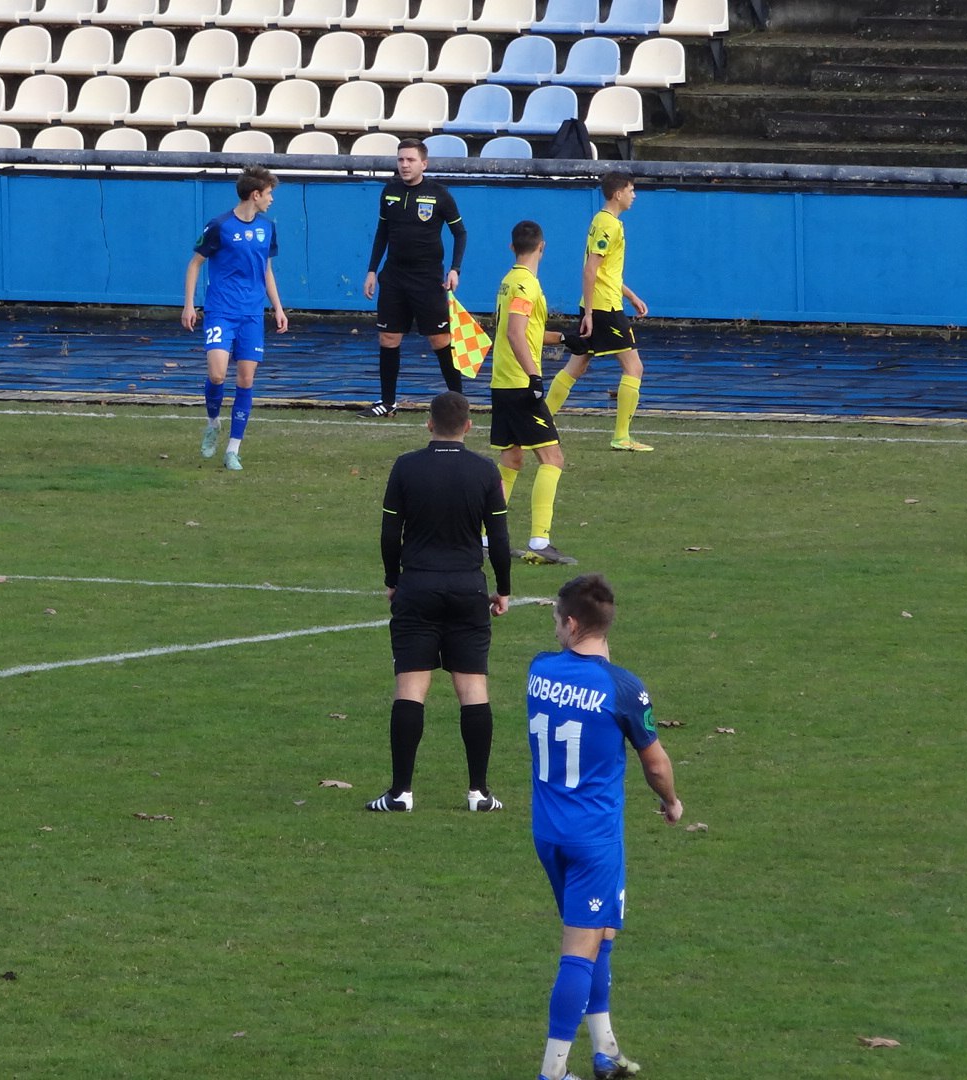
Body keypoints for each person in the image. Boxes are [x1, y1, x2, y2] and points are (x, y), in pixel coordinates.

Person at [525, 573, 680, 1080]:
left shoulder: (538, 670)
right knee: (580, 948)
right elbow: (655, 765)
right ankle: (552, 1072)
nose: (553, 628)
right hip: (594, 838)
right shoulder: (623, 689)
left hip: (548, 833)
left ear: (571, 624)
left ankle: (605, 1050)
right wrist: (672, 803)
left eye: (555, 620)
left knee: (602, 934)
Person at [368, 391, 513, 814]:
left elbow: (388, 534)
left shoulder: (406, 467)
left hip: (418, 588)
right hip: (468, 589)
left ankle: (400, 793)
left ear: (429, 424)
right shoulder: (486, 471)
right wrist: (502, 588)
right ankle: (479, 793)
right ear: (469, 426)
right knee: (472, 688)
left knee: (411, 688)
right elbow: (500, 541)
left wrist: (393, 580)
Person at [182, 165, 289, 472]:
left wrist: (278, 308)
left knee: (245, 379)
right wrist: (190, 305)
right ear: (255, 195)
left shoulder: (267, 227)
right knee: (217, 374)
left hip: (252, 314)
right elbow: (194, 264)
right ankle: (214, 421)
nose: (271, 200)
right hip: (220, 311)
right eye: (269, 194)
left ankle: (233, 449)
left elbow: (266, 269)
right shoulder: (219, 226)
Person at [358, 139, 468, 418]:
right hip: (394, 276)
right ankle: (387, 402)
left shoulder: (439, 194)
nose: (404, 165)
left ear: (424, 163)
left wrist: (455, 268)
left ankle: (459, 403)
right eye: (400, 160)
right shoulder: (389, 192)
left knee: (440, 340)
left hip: (428, 278)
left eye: (410, 160)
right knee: (388, 336)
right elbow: (382, 232)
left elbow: (460, 233)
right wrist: (372, 270)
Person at [490, 221, 577, 567]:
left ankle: (485, 537)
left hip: (502, 382)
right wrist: (534, 377)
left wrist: (564, 339)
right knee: (552, 459)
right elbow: (515, 333)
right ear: (542, 247)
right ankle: (540, 540)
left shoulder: (509, 281)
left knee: (512, 460)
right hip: (519, 384)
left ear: (512, 248)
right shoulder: (526, 285)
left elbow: (525, 332)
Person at [546, 173, 652, 453]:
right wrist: (591, 313)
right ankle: (621, 436)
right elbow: (591, 269)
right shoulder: (607, 224)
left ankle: (541, 421)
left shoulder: (606, 222)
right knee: (634, 367)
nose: (634, 195)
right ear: (618, 194)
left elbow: (605, 272)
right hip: (604, 308)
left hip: (603, 303)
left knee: (578, 364)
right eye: (631, 190)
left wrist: (631, 296)